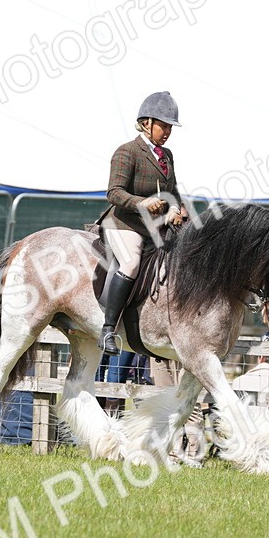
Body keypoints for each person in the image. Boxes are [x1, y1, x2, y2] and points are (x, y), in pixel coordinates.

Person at [96, 91, 188, 355]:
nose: (168, 131)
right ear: (146, 122)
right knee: (131, 262)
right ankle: (108, 329)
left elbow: (173, 191)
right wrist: (141, 203)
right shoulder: (127, 152)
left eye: (170, 126)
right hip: (125, 224)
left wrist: (174, 208)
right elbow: (114, 192)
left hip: (156, 227)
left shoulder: (167, 155)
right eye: (164, 125)